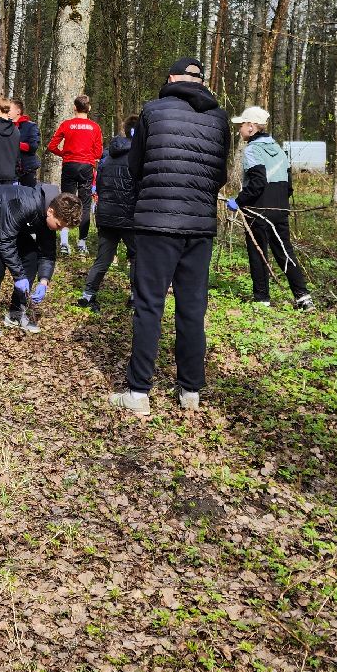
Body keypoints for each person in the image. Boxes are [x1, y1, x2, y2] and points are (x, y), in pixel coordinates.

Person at [109, 56, 228, 415]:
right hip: (199, 225)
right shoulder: (219, 117)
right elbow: (220, 173)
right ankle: (190, 390)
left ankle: (139, 392)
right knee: (192, 309)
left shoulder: (152, 110)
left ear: (172, 78)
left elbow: (135, 164)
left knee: (149, 306)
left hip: (156, 222)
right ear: (200, 81)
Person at [226, 106, 313, 310]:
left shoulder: (252, 151)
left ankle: (262, 300)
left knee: (258, 253)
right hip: (281, 210)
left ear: (251, 127)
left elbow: (256, 184)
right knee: (284, 252)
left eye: (241, 125)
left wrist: (238, 201)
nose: (239, 129)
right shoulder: (278, 149)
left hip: (258, 211)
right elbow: (289, 186)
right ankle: (303, 298)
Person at [0, 184, 82, 337]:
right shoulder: (25, 204)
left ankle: (16, 312)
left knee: (31, 256)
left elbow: (47, 254)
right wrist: (19, 276)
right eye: (59, 225)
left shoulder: (49, 218)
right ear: (50, 211)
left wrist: (44, 281)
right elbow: (5, 241)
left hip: (9, 220)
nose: (59, 230)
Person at [78, 116, 138, 311]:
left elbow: (100, 183)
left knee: (103, 258)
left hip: (106, 214)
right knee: (137, 256)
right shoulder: (139, 156)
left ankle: (88, 295)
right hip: (130, 216)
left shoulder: (107, 154)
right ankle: (135, 297)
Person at [47, 95, 105, 255]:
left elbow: (51, 146)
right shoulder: (95, 127)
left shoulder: (67, 125)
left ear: (74, 107)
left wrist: (64, 154)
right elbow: (99, 153)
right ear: (89, 108)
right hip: (86, 166)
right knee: (85, 204)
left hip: (69, 165)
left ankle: (64, 243)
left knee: (65, 201)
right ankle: (82, 244)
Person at [10, 98, 41, 187]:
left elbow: (33, 146)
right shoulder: (6, 127)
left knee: (28, 196)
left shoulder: (31, 126)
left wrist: (15, 144)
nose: (7, 112)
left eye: (10, 109)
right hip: (10, 170)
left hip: (27, 169)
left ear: (18, 111)